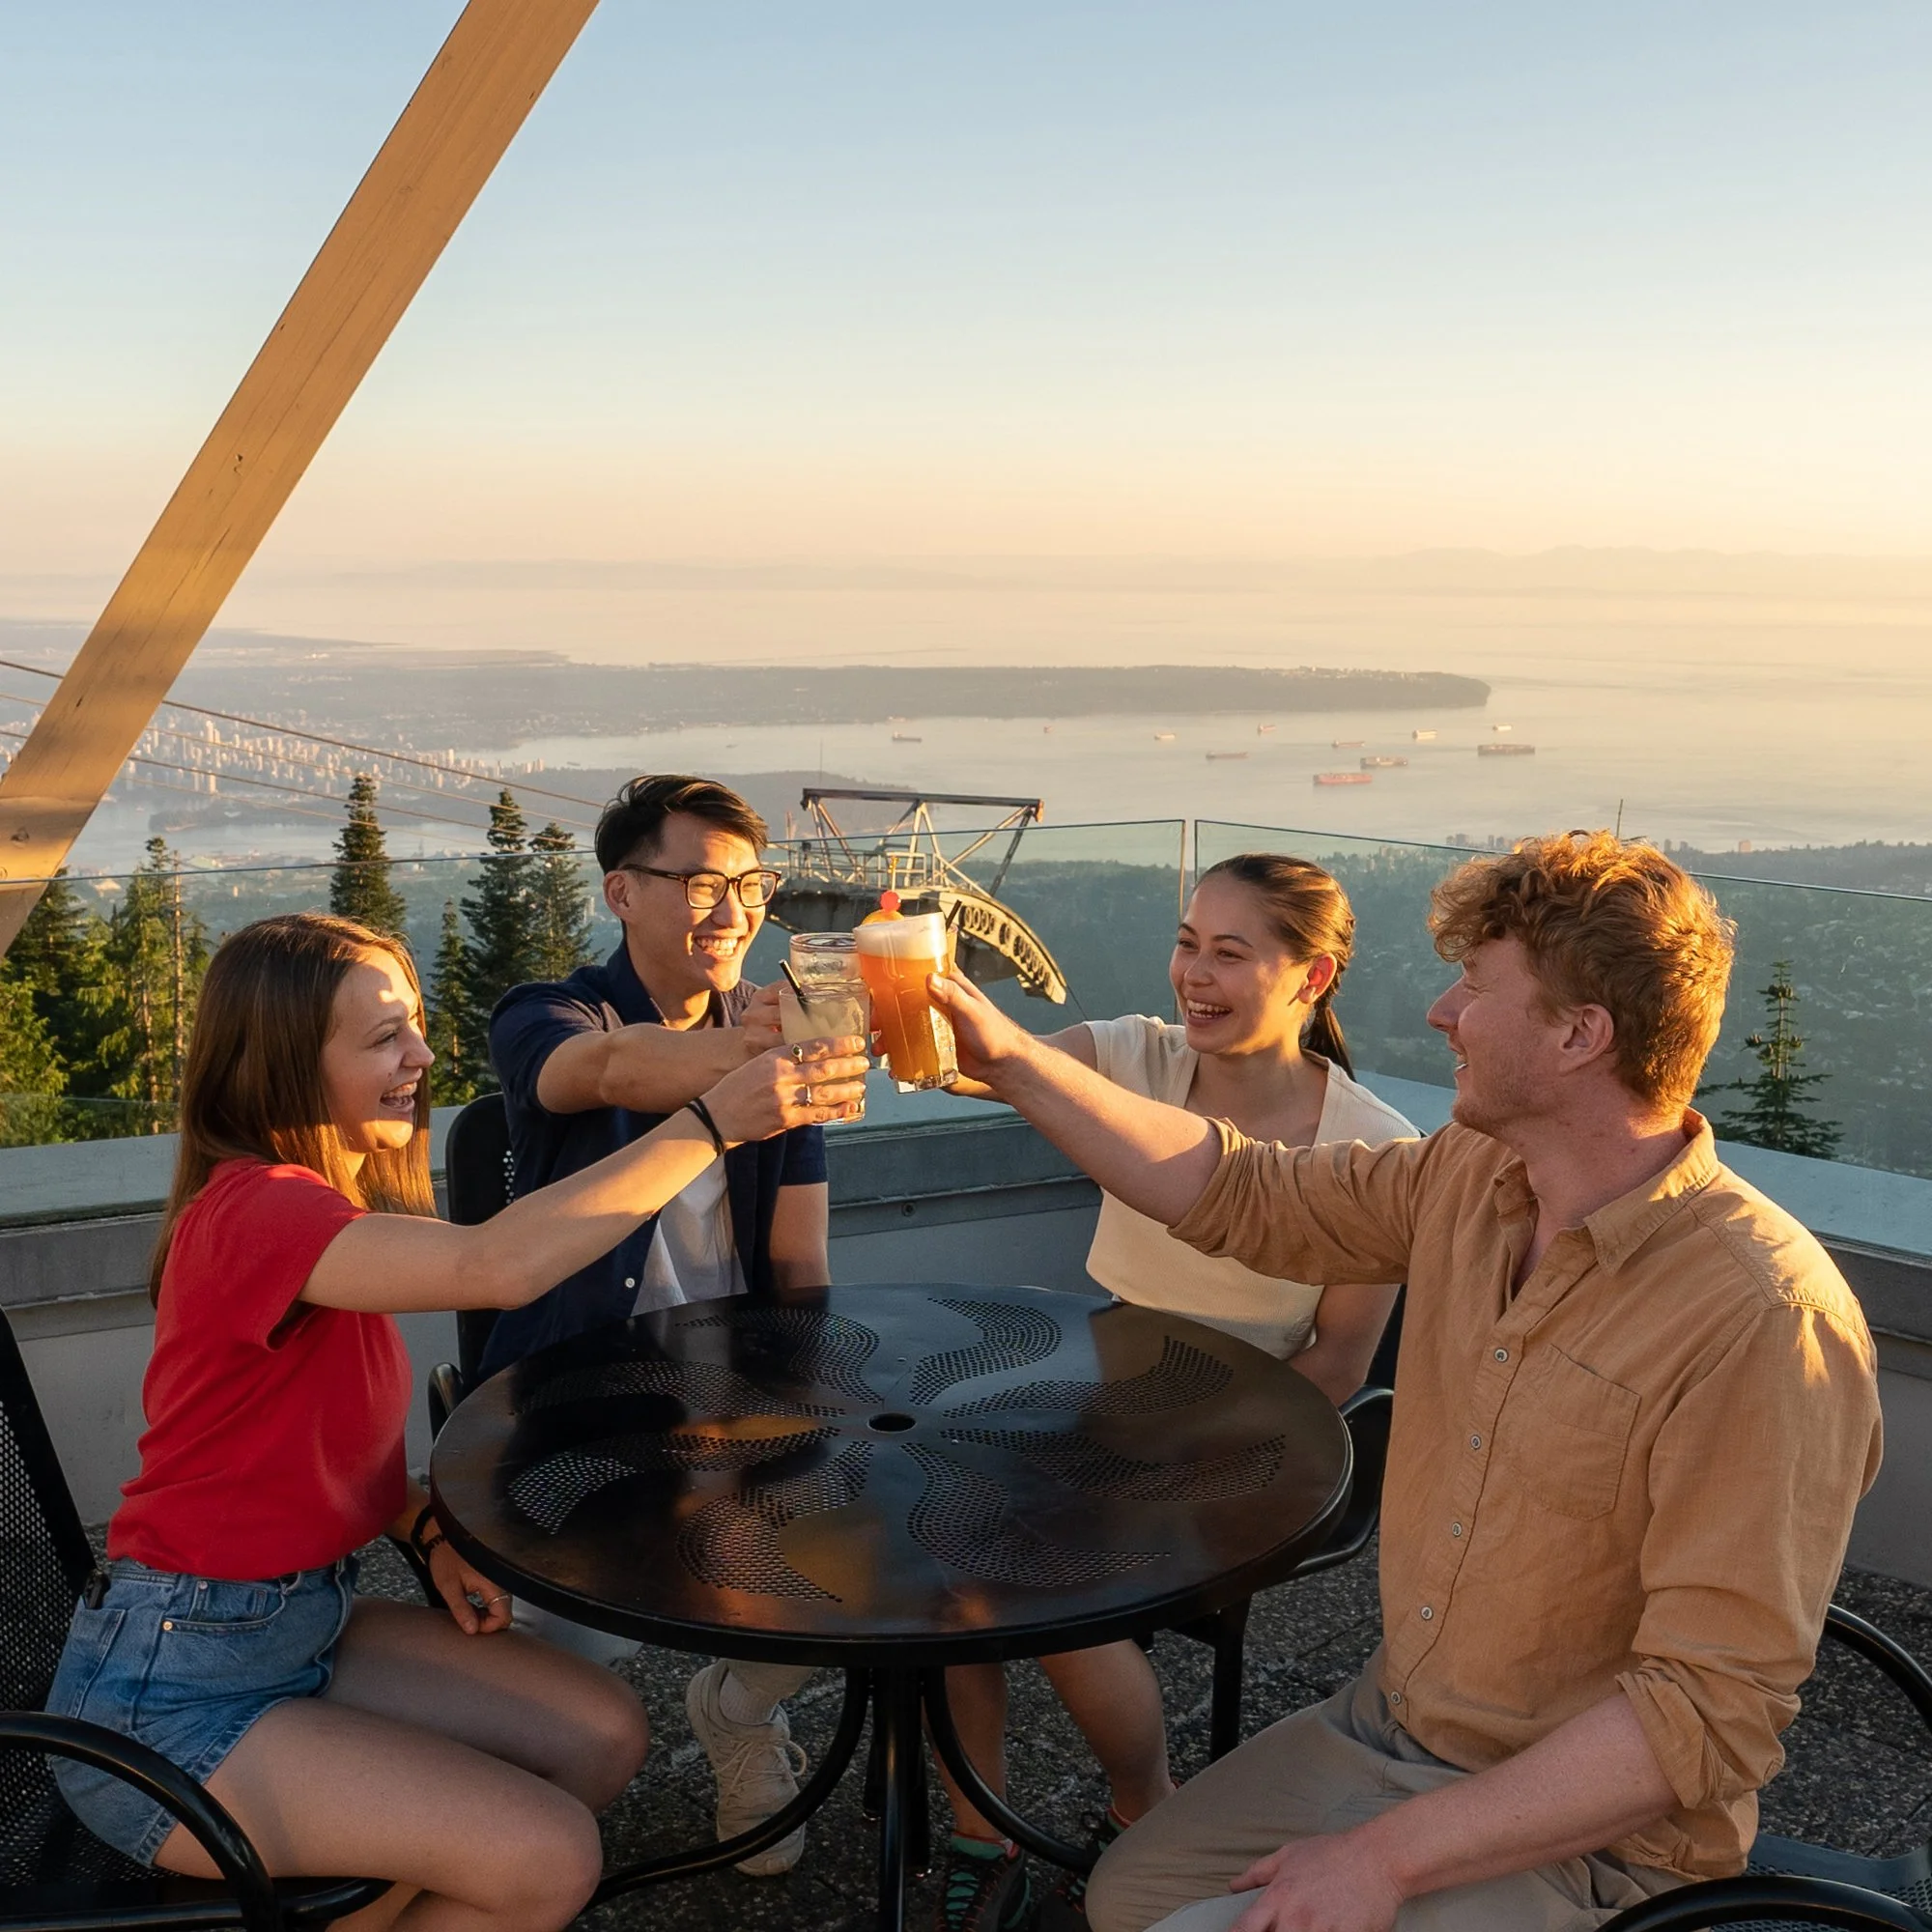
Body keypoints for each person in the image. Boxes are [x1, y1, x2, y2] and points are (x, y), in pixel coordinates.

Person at [927, 832, 1883, 1932]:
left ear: (1579, 1034)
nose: (1437, 1012)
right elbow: (1240, 1191)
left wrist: (1383, 1857)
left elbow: (1706, 1714)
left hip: (1594, 1843)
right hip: (1391, 1727)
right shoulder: (1472, 1175)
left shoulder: (1762, 1321)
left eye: (1473, 986)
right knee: (1125, 1893)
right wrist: (1004, 1057)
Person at [44, 912, 864, 1932]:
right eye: (385, 1036)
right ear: (286, 1063)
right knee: (548, 1858)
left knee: (600, 1734)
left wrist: (421, 1527)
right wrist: (709, 1122)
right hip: (172, 1695)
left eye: (417, 1024)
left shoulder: (320, 1206)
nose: (423, 1057)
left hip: (296, 1622)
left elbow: (298, 1449)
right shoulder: (256, 1211)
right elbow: (496, 1264)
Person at [934, 854, 1416, 1932]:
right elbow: (987, 1067)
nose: (1192, 973)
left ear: (1312, 975)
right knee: (944, 1525)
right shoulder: (1127, 1057)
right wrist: (908, 1004)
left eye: (1229, 952)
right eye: (1186, 941)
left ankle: (1138, 1806)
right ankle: (981, 1822)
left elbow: (1337, 1361)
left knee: (1022, 1560)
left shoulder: (1375, 1149)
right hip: (1095, 1396)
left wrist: (1181, 1441)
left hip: (1255, 1432)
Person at [487, 773, 836, 1874]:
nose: (730, 908)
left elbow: (798, 1259)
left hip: (732, 1386)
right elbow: (600, 1069)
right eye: (698, 880)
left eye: (748, 883)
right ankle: (514, 1768)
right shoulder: (552, 1012)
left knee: (869, 1553)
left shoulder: (773, 1048)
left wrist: (821, 1401)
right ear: (621, 892)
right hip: (572, 1396)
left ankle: (737, 1707)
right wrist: (769, 1060)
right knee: (562, 1668)